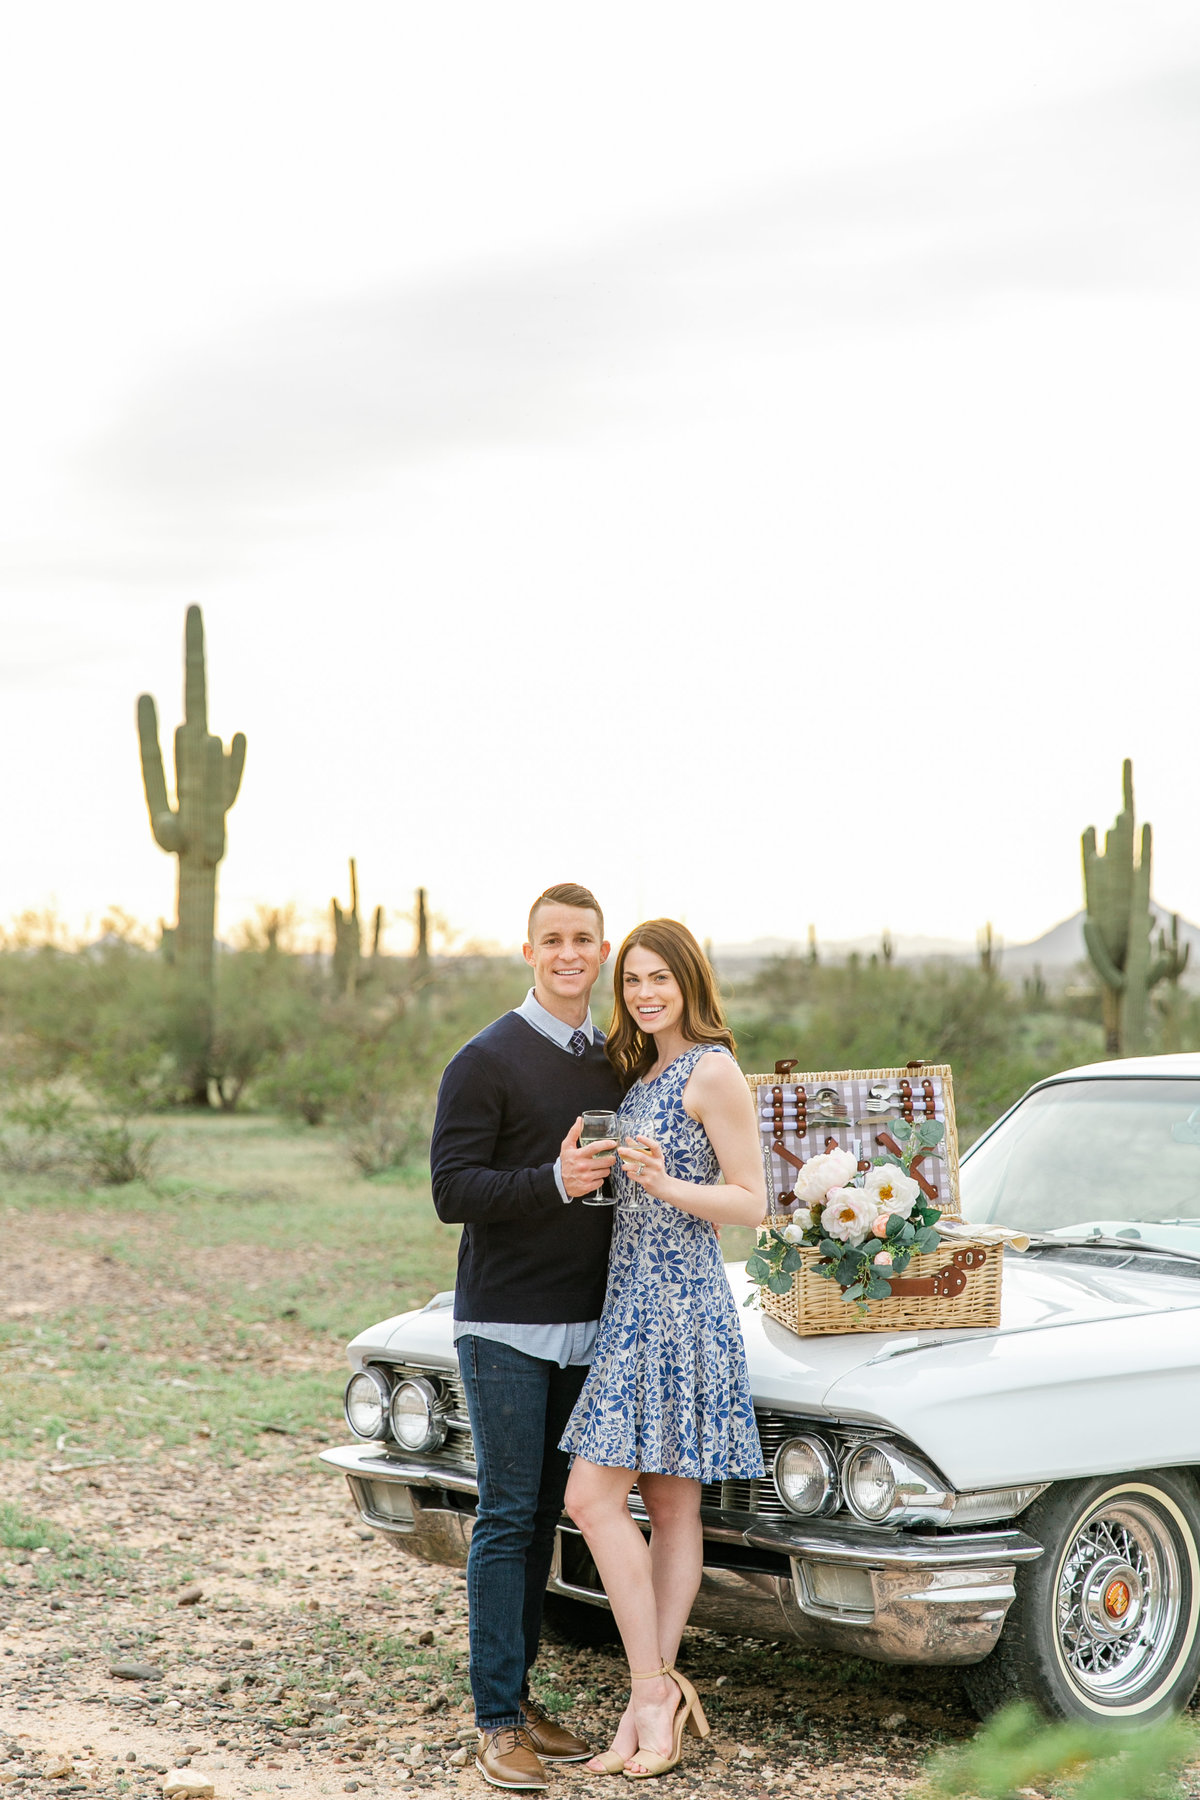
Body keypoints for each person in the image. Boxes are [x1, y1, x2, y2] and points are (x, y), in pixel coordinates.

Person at [559, 919, 766, 1780]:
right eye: (633, 981)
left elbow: (754, 1202)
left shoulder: (713, 1068)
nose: (645, 994)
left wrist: (663, 1182)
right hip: (629, 1302)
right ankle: (655, 1697)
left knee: (590, 1498)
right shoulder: (638, 1072)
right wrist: (591, 1172)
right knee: (665, 1506)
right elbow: (626, 1200)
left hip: (680, 1307)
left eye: (660, 980)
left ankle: (649, 1689)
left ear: (689, 982)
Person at [430, 883, 625, 1793]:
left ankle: (522, 1697)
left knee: (547, 1516)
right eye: (551, 940)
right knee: (508, 1519)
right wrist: (550, 1181)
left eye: (582, 939)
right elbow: (452, 1192)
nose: (568, 954)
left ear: (603, 948)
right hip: (506, 1324)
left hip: (590, 1327)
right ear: (529, 951)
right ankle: (497, 1721)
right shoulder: (486, 1059)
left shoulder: (614, 1062)